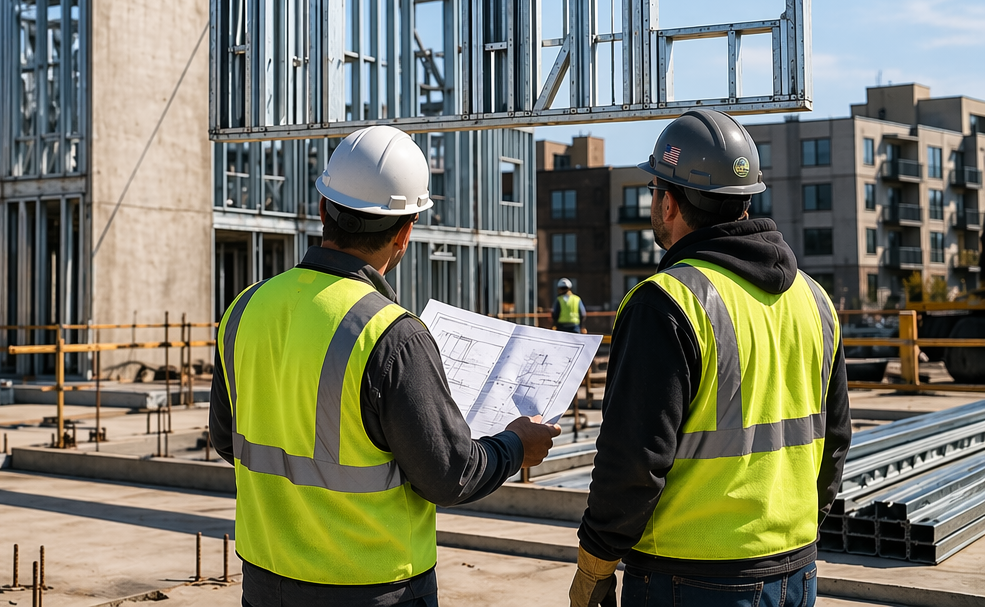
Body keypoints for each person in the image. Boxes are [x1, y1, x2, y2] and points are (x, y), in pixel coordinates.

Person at [210, 125, 560, 607]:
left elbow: (227, 440)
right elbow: (448, 475)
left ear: (322, 210)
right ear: (406, 231)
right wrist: (516, 445)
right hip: (372, 588)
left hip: (265, 580)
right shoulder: (392, 335)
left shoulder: (244, 309)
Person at [569, 110, 851, 607]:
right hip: (795, 569)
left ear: (670, 201)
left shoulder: (668, 301)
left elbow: (633, 462)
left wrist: (595, 564)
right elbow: (836, 441)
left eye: (655, 188)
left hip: (690, 577)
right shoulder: (815, 299)